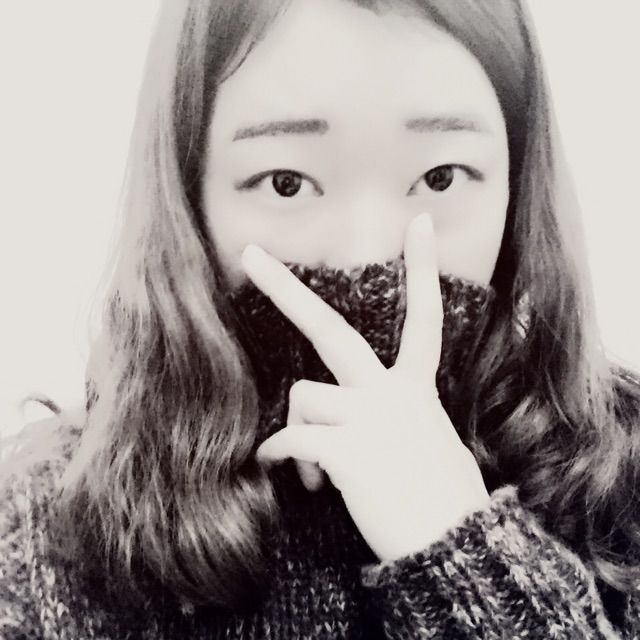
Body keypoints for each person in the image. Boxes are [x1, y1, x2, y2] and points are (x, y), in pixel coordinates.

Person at [2, 0, 640, 637]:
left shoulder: (622, 481)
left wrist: (466, 555)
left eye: (440, 177)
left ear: (517, 186)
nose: (367, 254)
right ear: (191, 196)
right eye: (286, 182)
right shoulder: (46, 530)